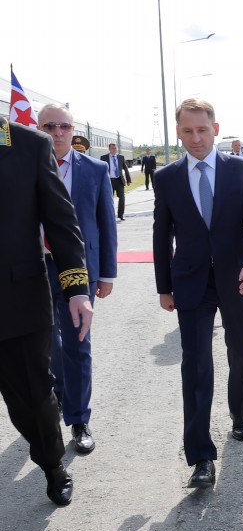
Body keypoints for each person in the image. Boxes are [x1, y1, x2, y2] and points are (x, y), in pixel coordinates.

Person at [153, 98, 243, 488]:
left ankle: (240, 413)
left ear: (216, 129)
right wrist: (163, 287)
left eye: (202, 130)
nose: (195, 138)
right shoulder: (167, 177)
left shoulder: (241, 170)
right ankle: (201, 458)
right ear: (178, 132)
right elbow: (161, 234)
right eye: (187, 131)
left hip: (239, 277)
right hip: (190, 282)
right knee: (196, 365)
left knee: (241, 352)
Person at [0, 116, 93, 506]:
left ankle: (53, 464)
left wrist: (77, 289)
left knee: (32, 398)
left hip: (17, 299)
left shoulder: (28, 145)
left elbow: (61, 222)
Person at [38, 104, 117, 455]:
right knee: (44, 342)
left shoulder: (96, 171)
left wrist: (106, 273)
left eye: (63, 126)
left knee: (77, 342)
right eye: (49, 126)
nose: (57, 132)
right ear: (38, 129)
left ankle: (79, 419)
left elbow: (105, 224)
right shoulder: (25, 165)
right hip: (34, 268)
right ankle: (59, 394)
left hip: (79, 271)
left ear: (73, 130)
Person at [101, 142, 131, 220]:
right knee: (109, 199)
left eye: (115, 148)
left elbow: (125, 169)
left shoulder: (121, 157)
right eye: (112, 148)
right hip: (109, 181)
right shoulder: (104, 158)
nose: (114, 150)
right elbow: (101, 170)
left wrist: (128, 180)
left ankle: (120, 215)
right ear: (109, 149)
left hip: (119, 181)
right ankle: (109, 215)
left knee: (122, 198)